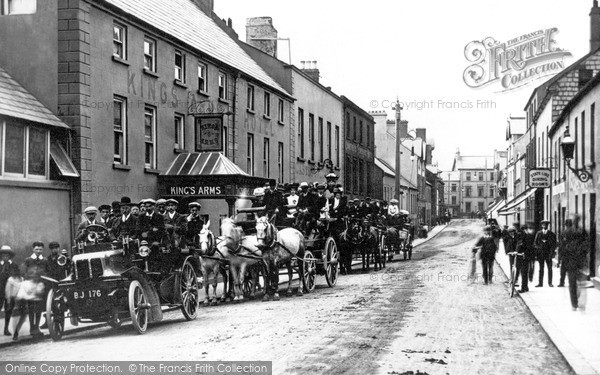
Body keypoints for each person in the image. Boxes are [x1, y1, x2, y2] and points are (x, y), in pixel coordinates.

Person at [557, 216, 588, 309]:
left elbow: (561, 248)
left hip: (570, 262)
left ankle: (574, 303)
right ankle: (577, 300)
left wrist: (561, 259)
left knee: (572, 283)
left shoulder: (565, 233)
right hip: (579, 261)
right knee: (579, 282)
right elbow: (586, 245)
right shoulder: (582, 232)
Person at [23, 242, 47, 338]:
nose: (38, 251)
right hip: (30, 286)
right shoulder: (28, 260)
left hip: (39, 287)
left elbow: (47, 272)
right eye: (37, 249)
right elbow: (23, 272)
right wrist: (29, 279)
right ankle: (32, 328)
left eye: (40, 249)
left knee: (39, 308)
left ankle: (37, 327)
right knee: (31, 308)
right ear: (33, 249)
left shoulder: (44, 260)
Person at [1, 245, 19, 336]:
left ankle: (6, 329)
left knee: (9, 309)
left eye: (7, 255)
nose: (5, 257)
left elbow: (17, 276)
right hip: (0, 290)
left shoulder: (13, 265)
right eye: (3, 255)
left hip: (10, 291)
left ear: (10, 256)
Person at [534, 220, 557, 287]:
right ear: (542, 226)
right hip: (540, 254)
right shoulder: (538, 233)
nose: (545, 226)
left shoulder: (551, 234)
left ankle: (550, 283)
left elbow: (554, 244)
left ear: (548, 226)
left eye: (546, 225)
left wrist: (552, 252)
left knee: (550, 268)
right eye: (543, 225)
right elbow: (535, 243)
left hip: (548, 254)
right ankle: (540, 283)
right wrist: (539, 248)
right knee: (541, 269)